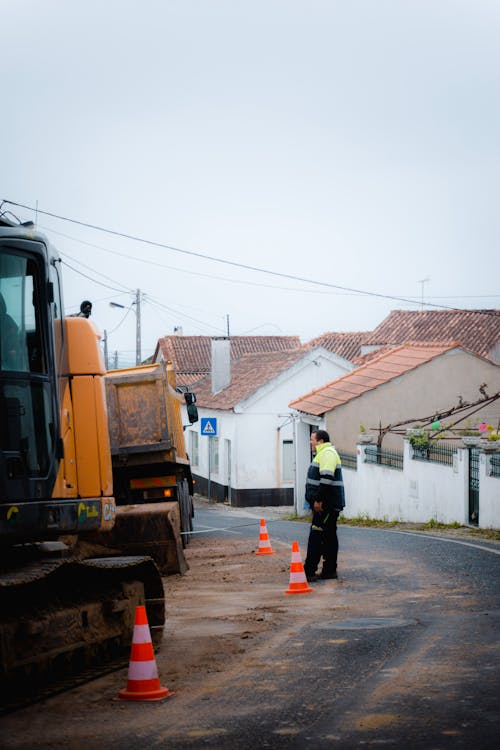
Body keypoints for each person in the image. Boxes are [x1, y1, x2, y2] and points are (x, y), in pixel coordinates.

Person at [303, 429, 345, 582]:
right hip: (325, 504)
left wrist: (318, 500)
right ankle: (329, 570)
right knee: (328, 537)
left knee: (317, 537)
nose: (310, 442)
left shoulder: (327, 453)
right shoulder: (323, 453)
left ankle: (309, 571)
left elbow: (327, 478)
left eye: (312, 439)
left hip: (324, 506)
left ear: (320, 441)